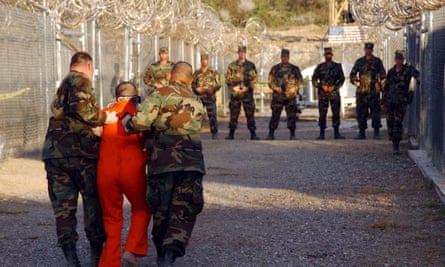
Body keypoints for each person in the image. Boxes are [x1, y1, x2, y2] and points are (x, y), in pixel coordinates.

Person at [122, 62, 205, 266]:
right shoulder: (197, 100)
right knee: (184, 209)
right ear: (190, 80)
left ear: (170, 76)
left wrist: (126, 123)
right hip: (191, 163)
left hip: (163, 163)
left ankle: (161, 253)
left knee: (161, 209)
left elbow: (141, 123)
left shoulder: (158, 95)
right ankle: (170, 253)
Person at [41, 51, 118, 267]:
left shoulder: (63, 86)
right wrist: (104, 119)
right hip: (81, 154)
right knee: (93, 203)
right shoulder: (80, 80)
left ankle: (71, 258)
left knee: (64, 209)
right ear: (89, 66)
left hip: (55, 154)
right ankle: (96, 255)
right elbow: (83, 110)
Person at [97, 82, 151, 267]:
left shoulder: (104, 115)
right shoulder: (138, 117)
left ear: (116, 97)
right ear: (136, 97)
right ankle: (131, 249)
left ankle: (110, 262)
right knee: (142, 208)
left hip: (106, 171)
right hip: (132, 171)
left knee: (111, 217)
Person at [381, 50, 420, 155]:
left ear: (403, 60)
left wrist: (419, 79)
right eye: (397, 59)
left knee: (397, 123)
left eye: (401, 59)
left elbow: (417, 75)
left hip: (401, 101)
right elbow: (386, 87)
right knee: (390, 122)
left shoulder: (408, 69)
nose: (399, 61)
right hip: (390, 101)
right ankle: (393, 138)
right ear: (395, 60)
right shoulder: (391, 72)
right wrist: (383, 101)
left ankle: (396, 146)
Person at [350, 42, 386, 139]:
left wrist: (383, 89)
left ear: (372, 50)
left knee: (375, 112)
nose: (368, 51)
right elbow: (352, 74)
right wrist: (355, 82)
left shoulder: (377, 61)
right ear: (364, 50)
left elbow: (383, 76)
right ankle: (362, 132)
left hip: (374, 91)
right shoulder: (360, 61)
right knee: (361, 112)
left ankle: (376, 132)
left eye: (369, 49)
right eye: (366, 49)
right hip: (362, 91)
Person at [266, 48, 303, 140]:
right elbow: (270, 82)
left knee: (291, 115)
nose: (284, 58)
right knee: (275, 115)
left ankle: (292, 134)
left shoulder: (294, 69)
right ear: (281, 57)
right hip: (278, 96)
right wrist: (276, 88)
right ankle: (271, 133)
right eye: (283, 57)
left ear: (288, 57)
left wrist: (295, 88)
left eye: (286, 57)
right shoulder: (275, 69)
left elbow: (300, 82)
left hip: (290, 96)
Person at [225, 45, 260, 140]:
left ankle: (253, 133)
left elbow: (254, 79)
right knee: (234, 114)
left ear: (245, 53)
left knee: (250, 114)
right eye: (240, 52)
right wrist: (233, 88)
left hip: (247, 94)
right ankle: (231, 133)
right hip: (236, 94)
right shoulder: (232, 66)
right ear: (238, 53)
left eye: (243, 52)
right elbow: (228, 79)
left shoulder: (250, 65)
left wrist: (247, 88)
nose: (242, 54)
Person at [312, 47, 346, 140]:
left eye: (329, 54)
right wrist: (321, 86)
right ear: (324, 55)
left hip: (334, 93)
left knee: (335, 113)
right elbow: (314, 80)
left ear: (332, 55)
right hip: (323, 94)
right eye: (327, 54)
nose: (328, 56)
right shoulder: (320, 67)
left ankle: (336, 132)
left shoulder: (337, 66)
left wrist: (334, 87)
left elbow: (342, 79)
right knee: (322, 113)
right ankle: (322, 133)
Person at [192, 53, 221, 139]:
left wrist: (213, 89)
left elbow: (218, 84)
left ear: (208, 61)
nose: (204, 62)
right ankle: (195, 132)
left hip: (210, 97)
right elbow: (193, 84)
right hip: (200, 97)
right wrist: (196, 89)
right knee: (197, 115)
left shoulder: (213, 73)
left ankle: (214, 133)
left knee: (212, 115)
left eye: (206, 60)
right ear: (201, 61)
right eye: (203, 60)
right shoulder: (196, 73)